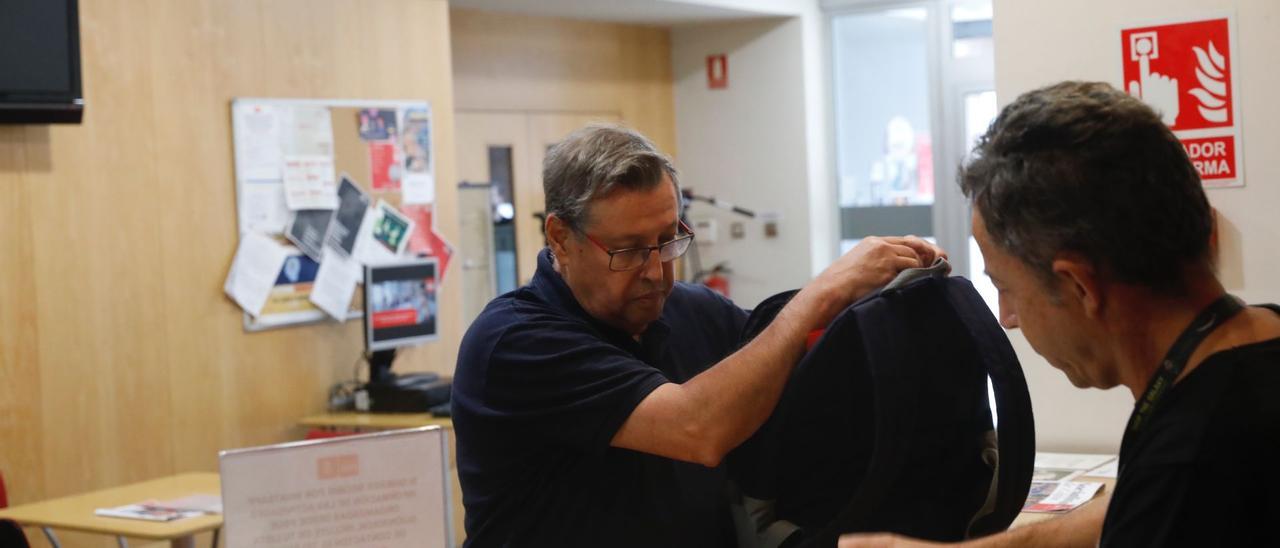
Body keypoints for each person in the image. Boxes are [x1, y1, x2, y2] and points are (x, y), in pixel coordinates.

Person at [453, 123, 943, 547]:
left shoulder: (691, 310)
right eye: (627, 250)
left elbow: (790, 375)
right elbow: (698, 428)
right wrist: (821, 293)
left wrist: (880, 308)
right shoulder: (516, 342)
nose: (655, 271)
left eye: (668, 240)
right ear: (560, 237)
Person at [841, 81, 1280, 547]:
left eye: (1006, 289)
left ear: (1078, 285)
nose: (1007, 318)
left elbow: (1169, 495)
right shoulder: (1253, 348)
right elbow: (1133, 504)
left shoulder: (1189, 460)